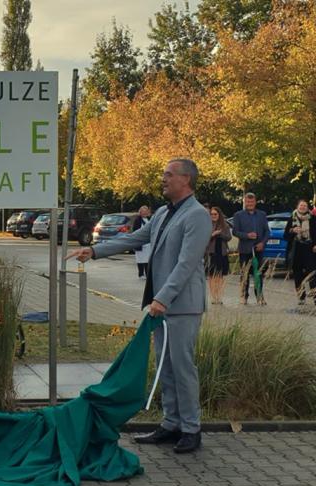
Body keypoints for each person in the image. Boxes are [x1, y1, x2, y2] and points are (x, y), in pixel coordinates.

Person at [66, 158, 211, 454]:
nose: (163, 179)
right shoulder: (161, 213)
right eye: (163, 174)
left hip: (180, 306)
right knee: (164, 367)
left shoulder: (197, 215)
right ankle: (171, 423)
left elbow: (186, 264)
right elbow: (134, 238)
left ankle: (191, 429)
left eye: (168, 175)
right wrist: (94, 251)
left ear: (186, 179)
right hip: (162, 306)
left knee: (182, 367)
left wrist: (163, 298)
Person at [231, 193, 270, 305]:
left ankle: (260, 297)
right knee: (245, 274)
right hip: (245, 249)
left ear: (255, 202)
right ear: (244, 202)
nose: (250, 204)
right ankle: (244, 297)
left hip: (258, 249)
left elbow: (267, 231)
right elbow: (235, 231)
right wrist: (247, 235)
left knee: (258, 274)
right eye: (247, 202)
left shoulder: (262, 215)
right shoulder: (238, 215)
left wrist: (263, 243)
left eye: (252, 202)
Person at [284, 200, 316, 304]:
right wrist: (292, 231)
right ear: (297, 206)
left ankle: (315, 297)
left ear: (308, 208)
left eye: (305, 205)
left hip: (310, 249)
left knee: (312, 274)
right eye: (301, 205)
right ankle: (301, 297)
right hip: (296, 249)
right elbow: (285, 236)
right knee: (297, 274)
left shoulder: (313, 219)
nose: (302, 207)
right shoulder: (292, 219)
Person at [205, 207, 232, 304]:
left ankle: (219, 296)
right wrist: (213, 234)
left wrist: (220, 234)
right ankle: (213, 297)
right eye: (212, 214)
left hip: (222, 252)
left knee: (220, 276)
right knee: (212, 276)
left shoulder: (224, 225)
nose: (213, 216)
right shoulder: (207, 225)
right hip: (212, 253)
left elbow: (229, 237)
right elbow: (204, 239)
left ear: (219, 214)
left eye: (215, 214)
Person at [132, 206, 152, 279]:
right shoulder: (137, 220)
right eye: (143, 211)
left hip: (148, 243)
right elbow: (135, 231)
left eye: (146, 211)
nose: (145, 213)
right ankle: (141, 274)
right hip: (140, 243)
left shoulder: (149, 219)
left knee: (147, 259)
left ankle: (147, 274)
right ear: (140, 212)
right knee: (140, 259)